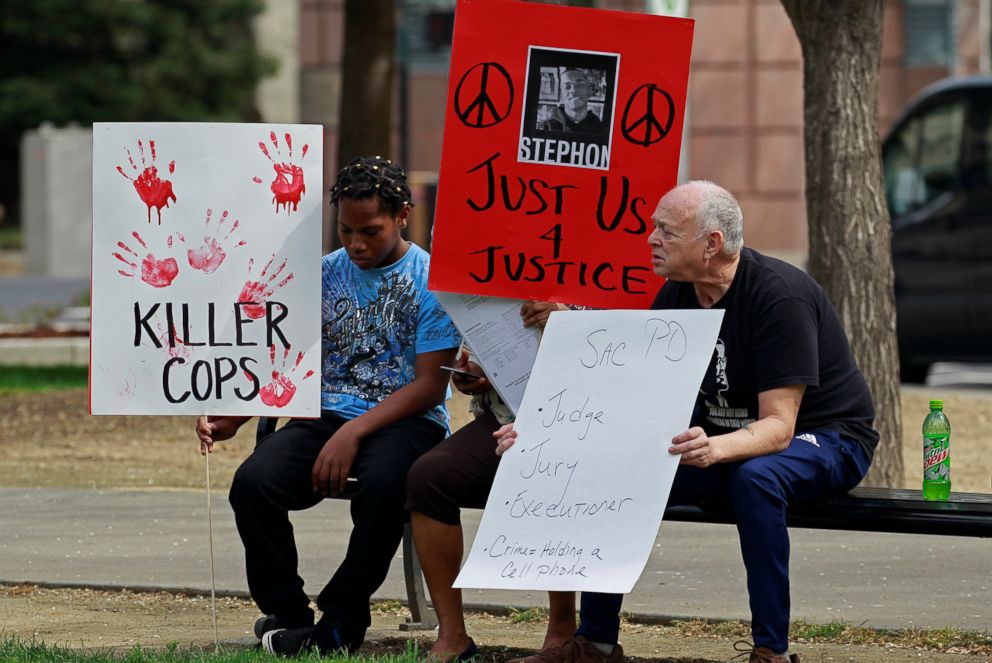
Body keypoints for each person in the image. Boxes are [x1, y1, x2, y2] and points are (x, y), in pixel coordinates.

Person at [495, 181, 877, 663]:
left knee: (755, 477)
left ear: (711, 244)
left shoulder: (779, 296)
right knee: (607, 468)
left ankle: (770, 652)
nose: (651, 239)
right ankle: (596, 643)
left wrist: (715, 449)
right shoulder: (677, 294)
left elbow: (779, 427)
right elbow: (637, 397)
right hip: (721, 437)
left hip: (827, 439)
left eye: (665, 232)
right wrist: (542, 435)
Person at [195, 156, 460, 657]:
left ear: (403, 216)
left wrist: (354, 432)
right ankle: (287, 612)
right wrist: (238, 412)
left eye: (371, 231)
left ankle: (342, 618)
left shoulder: (431, 280)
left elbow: (429, 386)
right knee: (253, 484)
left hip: (407, 421)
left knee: (385, 486)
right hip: (325, 416)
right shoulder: (320, 275)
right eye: (345, 230)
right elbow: (288, 359)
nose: (356, 244)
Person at [405, 301, 579, 663]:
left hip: (584, 415)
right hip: (506, 415)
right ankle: (452, 634)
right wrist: (475, 370)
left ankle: (562, 630)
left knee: (552, 471)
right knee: (429, 477)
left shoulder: (604, 258)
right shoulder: (494, 264)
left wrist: (570, 318)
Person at [539, 69, 604, 136]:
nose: (573, 90)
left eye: (579, 85)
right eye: (567, 86)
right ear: (561, 94)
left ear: (589, 91)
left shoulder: (599, 127)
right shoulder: (548, 126)